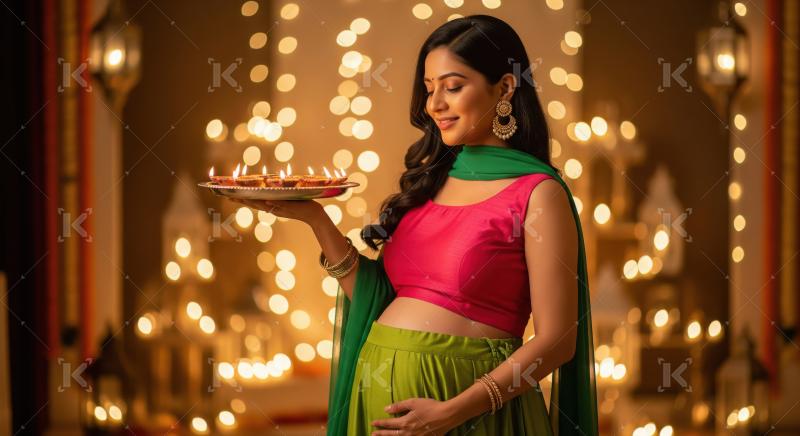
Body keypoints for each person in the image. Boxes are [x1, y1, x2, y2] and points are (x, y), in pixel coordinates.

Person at [233, 14, 598, 436]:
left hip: (469, 416)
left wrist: (454, 412)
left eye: (453, 86)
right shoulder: (433, 179)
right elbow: (379, 299)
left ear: (505, 87)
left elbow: (556, 341)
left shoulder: (538, 194)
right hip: (378, 407)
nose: (434, 104)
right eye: (429, 89)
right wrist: (316, 218)